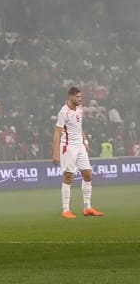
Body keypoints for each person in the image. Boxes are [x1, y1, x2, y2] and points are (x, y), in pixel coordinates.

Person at [53, 86, 103, 218]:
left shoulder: (80, 110)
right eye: (78, 97)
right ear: (70, 97)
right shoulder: (63, 112)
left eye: (81, 97)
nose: (80, 99)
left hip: (80, 146)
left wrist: (85, 141)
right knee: (69, 176)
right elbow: (57, 133)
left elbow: (79, 128)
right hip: (68, 146)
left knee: (88, 174)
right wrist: (55, 153)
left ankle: (87, 207)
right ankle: (65, 210)